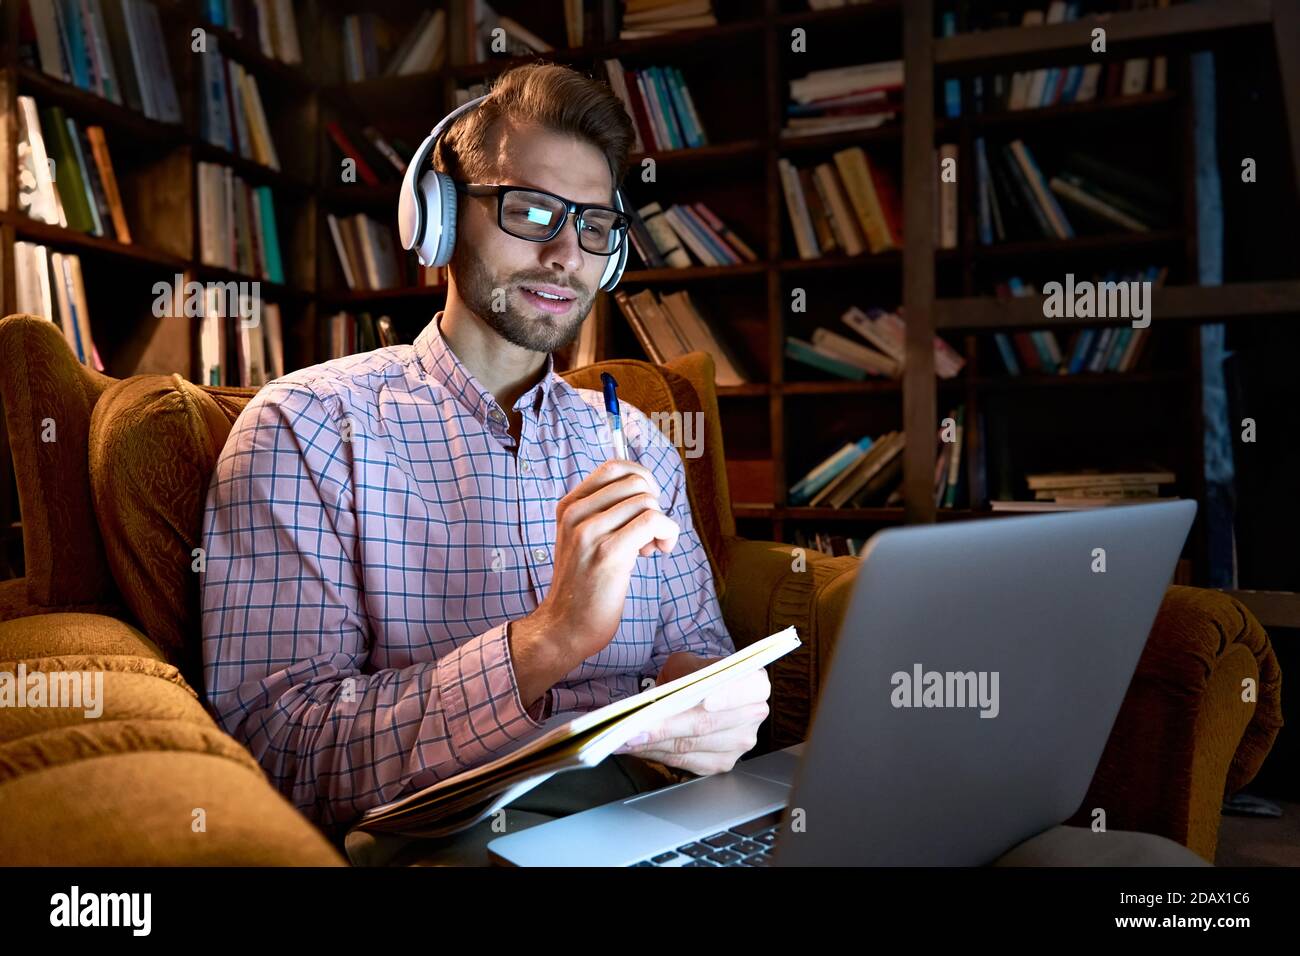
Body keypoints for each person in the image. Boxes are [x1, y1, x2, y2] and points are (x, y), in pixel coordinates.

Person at [200, 62, 769, 865]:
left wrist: (713, 704)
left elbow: (699, 649)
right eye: (530, 211)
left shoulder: (638, 442)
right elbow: (283, 750)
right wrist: (548, 640)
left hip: (659, 806)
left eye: (595, 227)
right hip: (456, 832)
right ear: (438, 220)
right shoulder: (306, 428)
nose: (566, 254)